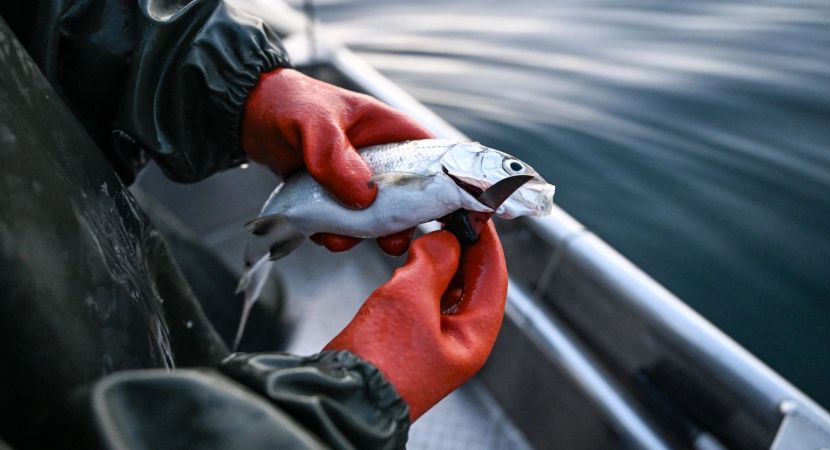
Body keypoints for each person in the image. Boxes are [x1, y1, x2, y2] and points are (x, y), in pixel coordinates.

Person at [0, 1, 508, 449]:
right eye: (507, 169)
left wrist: (231, 81)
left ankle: (251, 349)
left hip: (71, 211)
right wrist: (346, 407)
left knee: (210, 311)